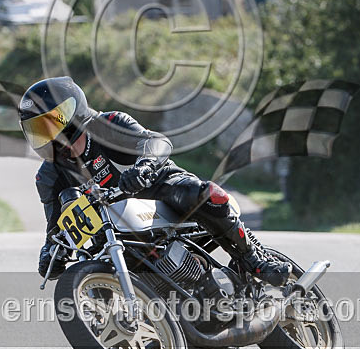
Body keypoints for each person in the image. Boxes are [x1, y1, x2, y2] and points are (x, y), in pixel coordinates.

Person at [18, 77, 291, 285]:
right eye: (38, 129)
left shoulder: (108, 125)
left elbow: (156, 142)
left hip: (158, 189)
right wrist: (51, 252)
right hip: (117, 228)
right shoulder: (49, 175)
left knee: (206, 194)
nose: (46, 134)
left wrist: (144, 167)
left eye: (50, 123)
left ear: (73, 111)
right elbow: (55, 225)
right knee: (98, 259)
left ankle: (253, 259)